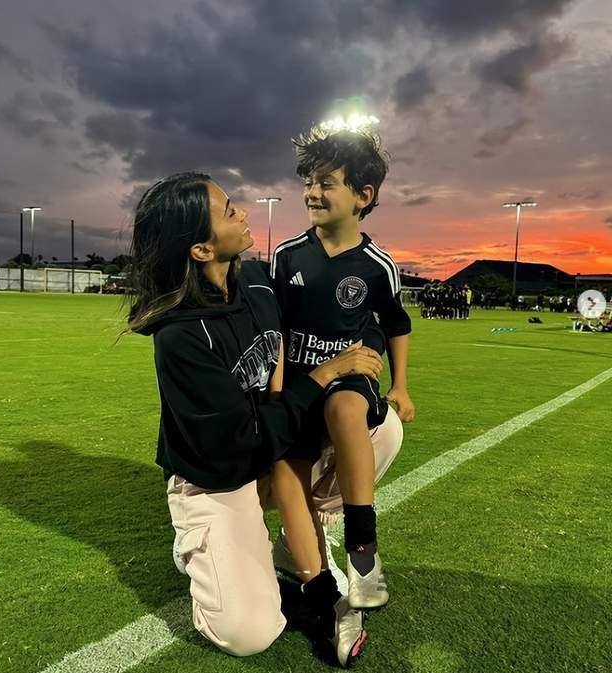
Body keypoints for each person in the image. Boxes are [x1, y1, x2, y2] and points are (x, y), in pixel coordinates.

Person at [125, 171, 402, 666]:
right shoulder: (181, 338)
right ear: (201, 250)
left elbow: (352, 323)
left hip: (266, 453)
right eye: (229, 212)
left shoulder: (255, 280)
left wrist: (368, 352)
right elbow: (241, 440)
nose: (245, 213)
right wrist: (322, 376)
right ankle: (202, 545)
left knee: (381, 430)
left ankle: (292, 550)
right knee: (248, 632)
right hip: (219, 476)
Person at [270, 128, 414, 611]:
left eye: (327, 182)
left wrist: (402, 386)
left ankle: (363, 551)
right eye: (309, 181)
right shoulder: (286, 255)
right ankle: (296, 551)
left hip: (349, 375)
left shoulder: (377, 265)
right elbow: (274, 330)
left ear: (362, 196)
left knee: (350, 406)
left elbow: (397, 324)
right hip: (299, 382)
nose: (313, 192)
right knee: (291, 467)